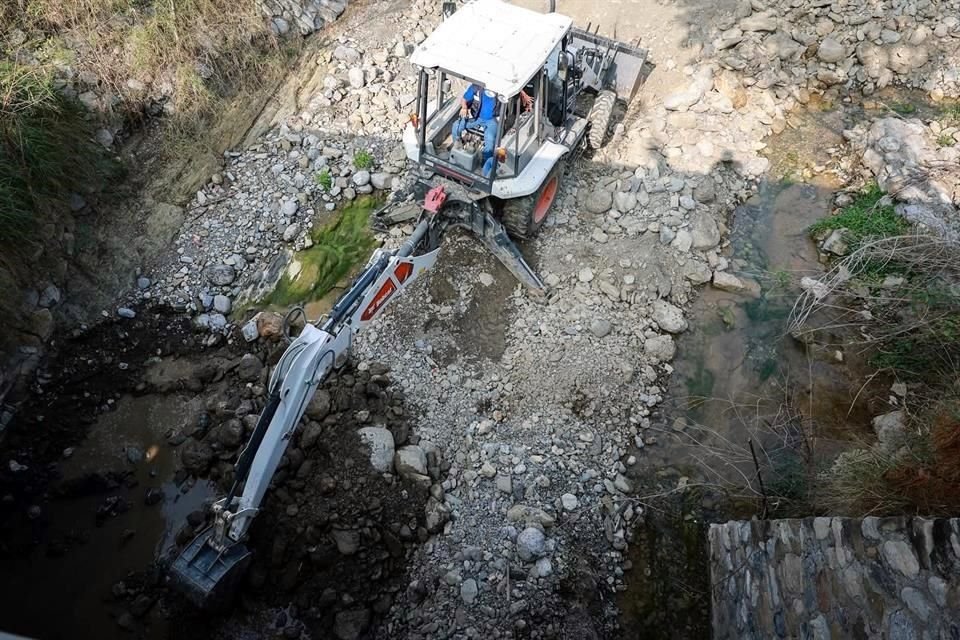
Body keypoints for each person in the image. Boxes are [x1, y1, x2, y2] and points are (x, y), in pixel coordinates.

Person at [452, 84, 532, 177]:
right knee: (456, 126)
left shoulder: (502, 88)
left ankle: (485, 165)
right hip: (476, 117)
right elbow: (464, 99)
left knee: (490, 140)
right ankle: (457, 147)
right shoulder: (476, 87)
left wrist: (522, 93)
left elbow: (515, 87)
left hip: (492, 120)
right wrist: (464, 107)